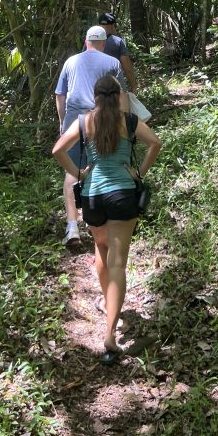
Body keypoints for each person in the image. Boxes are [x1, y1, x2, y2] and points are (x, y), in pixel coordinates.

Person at [52, 74, 161, 364]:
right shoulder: (129, 121)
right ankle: (110, 333)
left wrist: (79, 173)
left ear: (95, 96)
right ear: (119, 95)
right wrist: (140, 173)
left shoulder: (84, 122)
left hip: (93, 198)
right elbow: (155, 143)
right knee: (118, 263)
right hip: (123, 195)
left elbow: (57, 150)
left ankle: (107, 300)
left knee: (101, 249)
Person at [55, 25, 127, 247]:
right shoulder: (112, 63)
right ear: (104, 44)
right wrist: (124, 124)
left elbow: (60, 95)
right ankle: (96, 217)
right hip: (103, 119)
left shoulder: (70, 62)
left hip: (75, 119)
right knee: (100, 164)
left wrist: (62, 122)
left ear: (86, 41)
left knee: (73, 171)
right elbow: (121, 98)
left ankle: (72, 227)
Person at [97, 12, 138, 94]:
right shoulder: (118, 42)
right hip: (113, 88)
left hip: (94, 87)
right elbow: (127, 68)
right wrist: (133, 86)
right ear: (113, 26)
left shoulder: (89, 42)